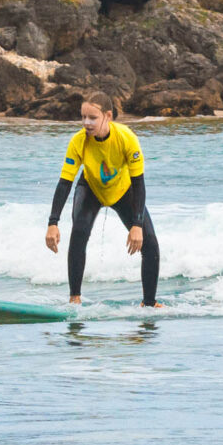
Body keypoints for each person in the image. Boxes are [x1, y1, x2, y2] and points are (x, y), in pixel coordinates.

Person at [44, 92, 161, 307]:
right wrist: (53, 222)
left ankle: (149, 303)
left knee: (149, 242)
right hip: (91, 188)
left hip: (124, 190)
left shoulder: (127, 138)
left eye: (93, 118)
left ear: (108, 116)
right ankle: (74, 299)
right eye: (83, 117)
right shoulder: (78, 141)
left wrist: (137, 224)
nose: (86, 123)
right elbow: (64, 183)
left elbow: (139, 184)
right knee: (79, 232)